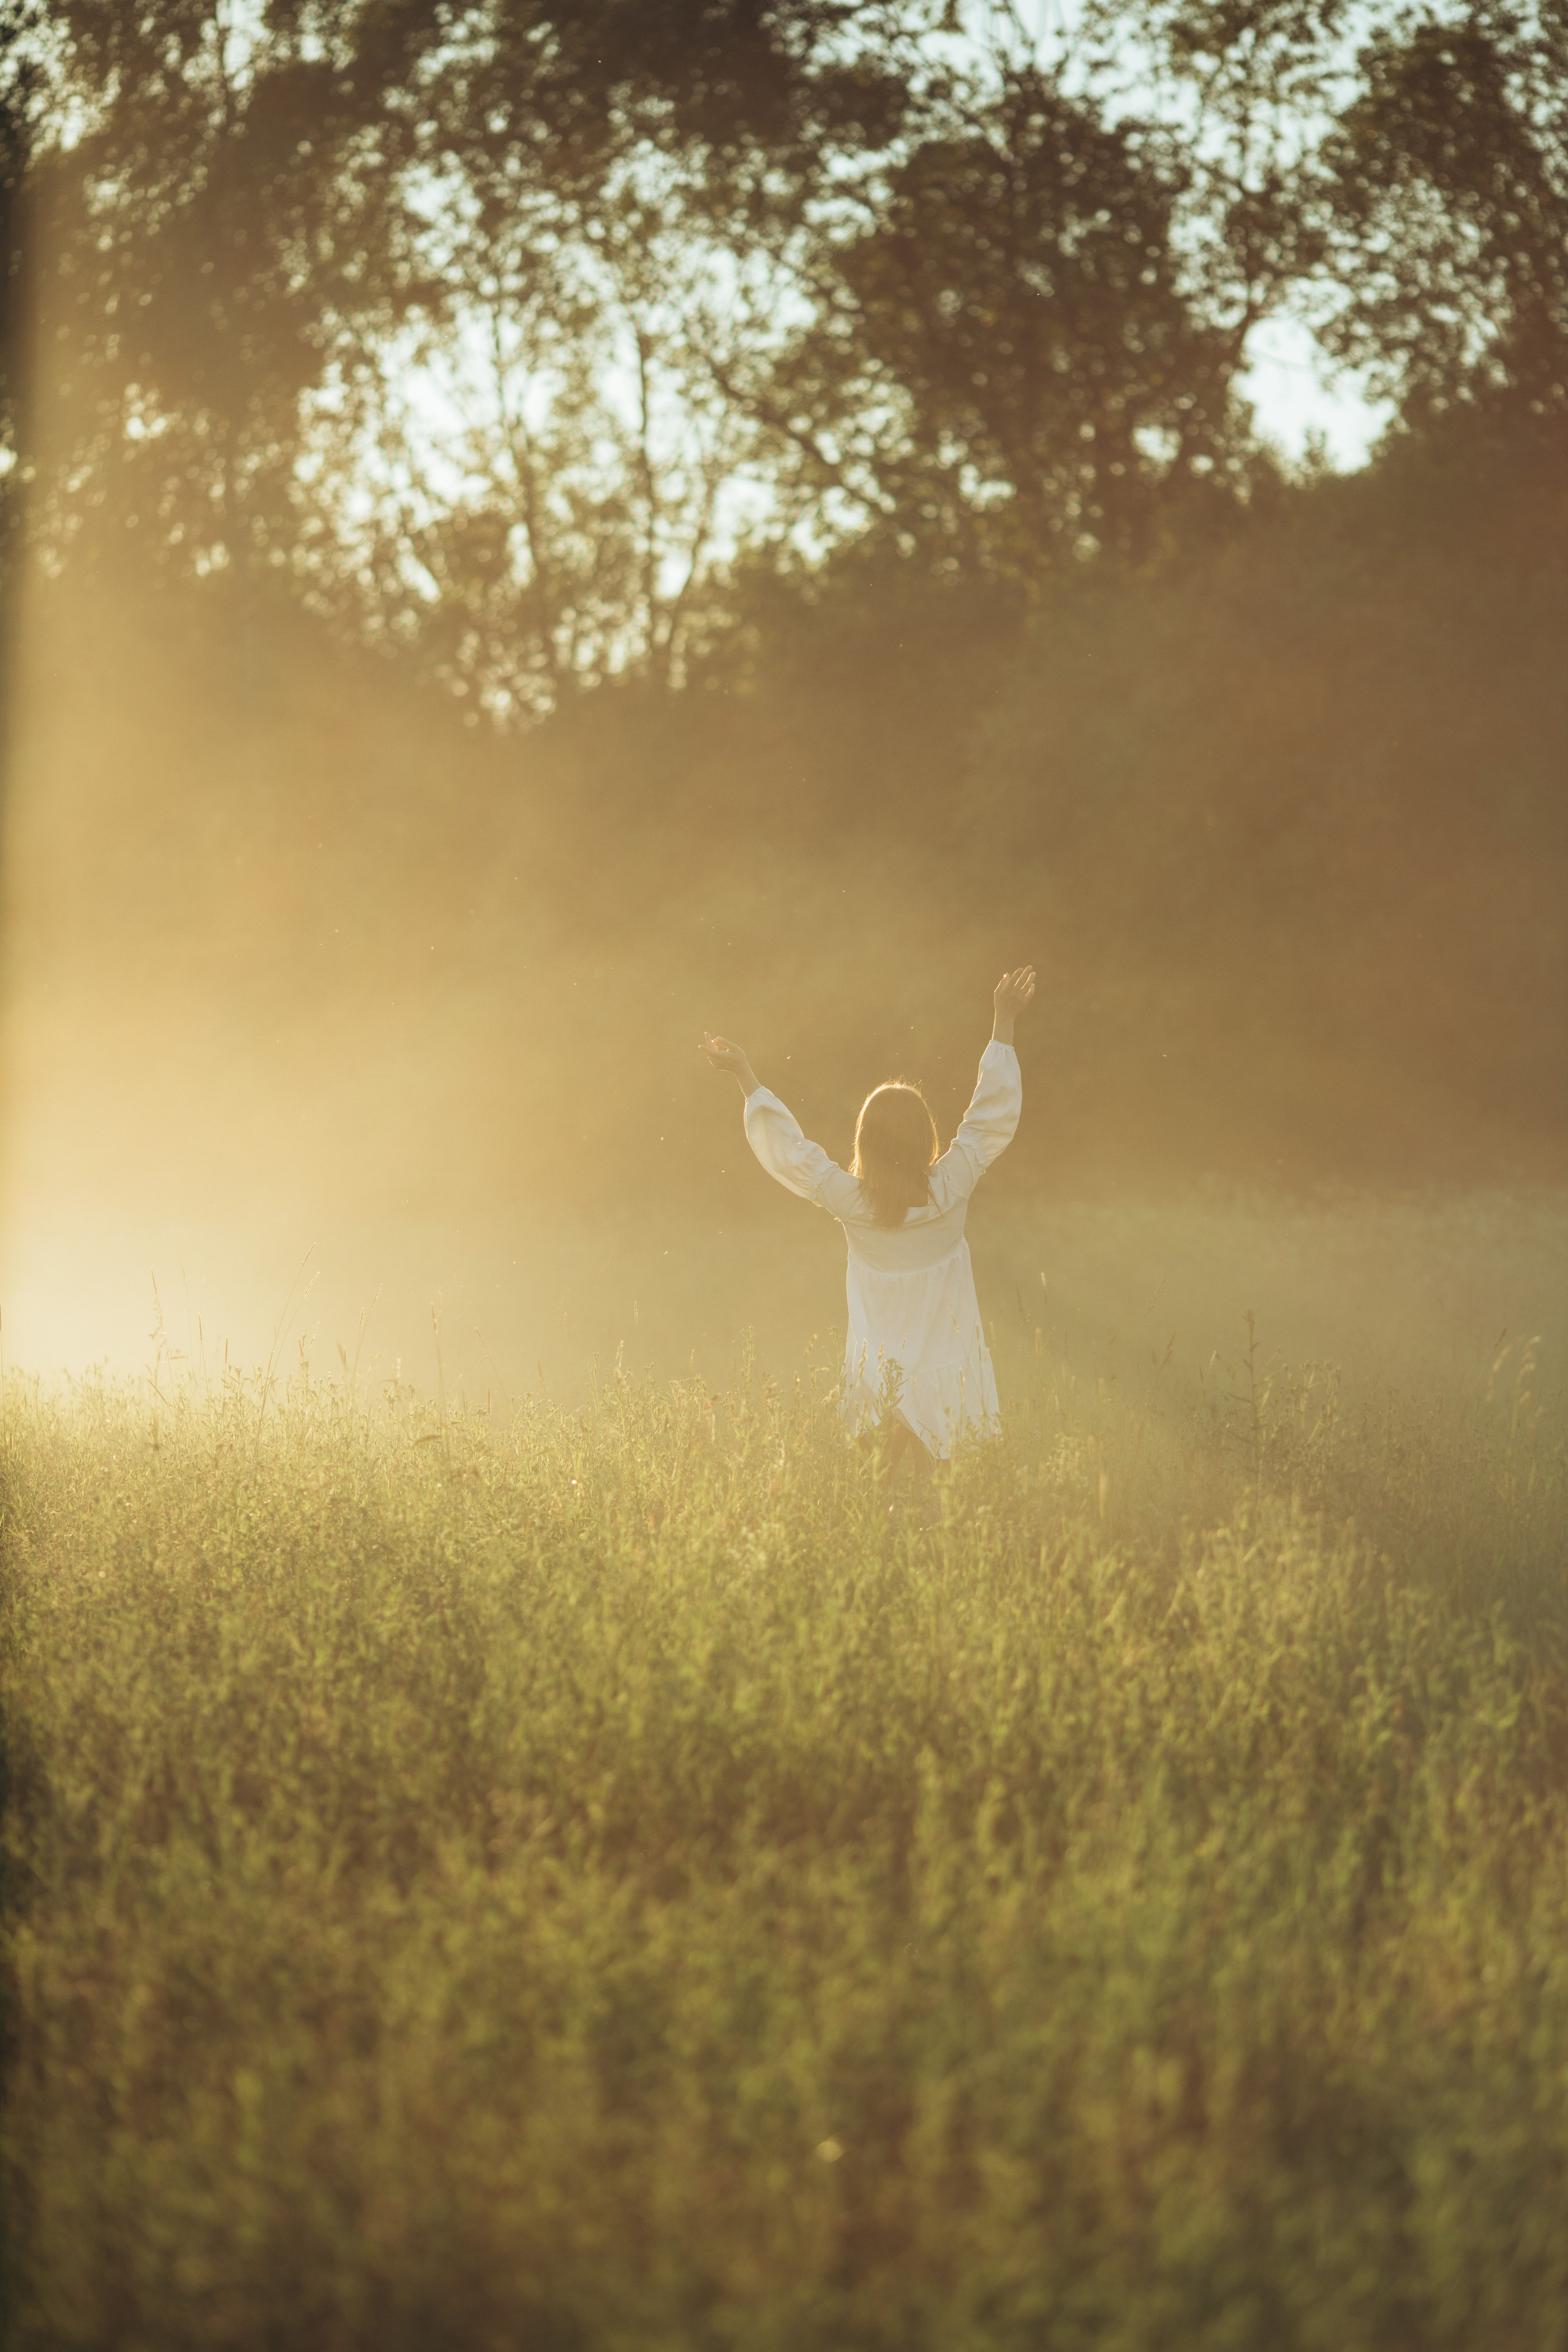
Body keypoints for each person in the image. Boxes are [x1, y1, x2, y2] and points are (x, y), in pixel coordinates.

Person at [700, 967, 1035, 1473]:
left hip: (882, 1369)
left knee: (873, 1490)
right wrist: (1003, 1019)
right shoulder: (953, 1185)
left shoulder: (850, 1200)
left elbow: (791, 1152)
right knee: (939, 1498)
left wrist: (745, 1074)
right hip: (944, 1363)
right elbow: (991, 1114)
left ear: (865, 1142)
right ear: (927, 1137)